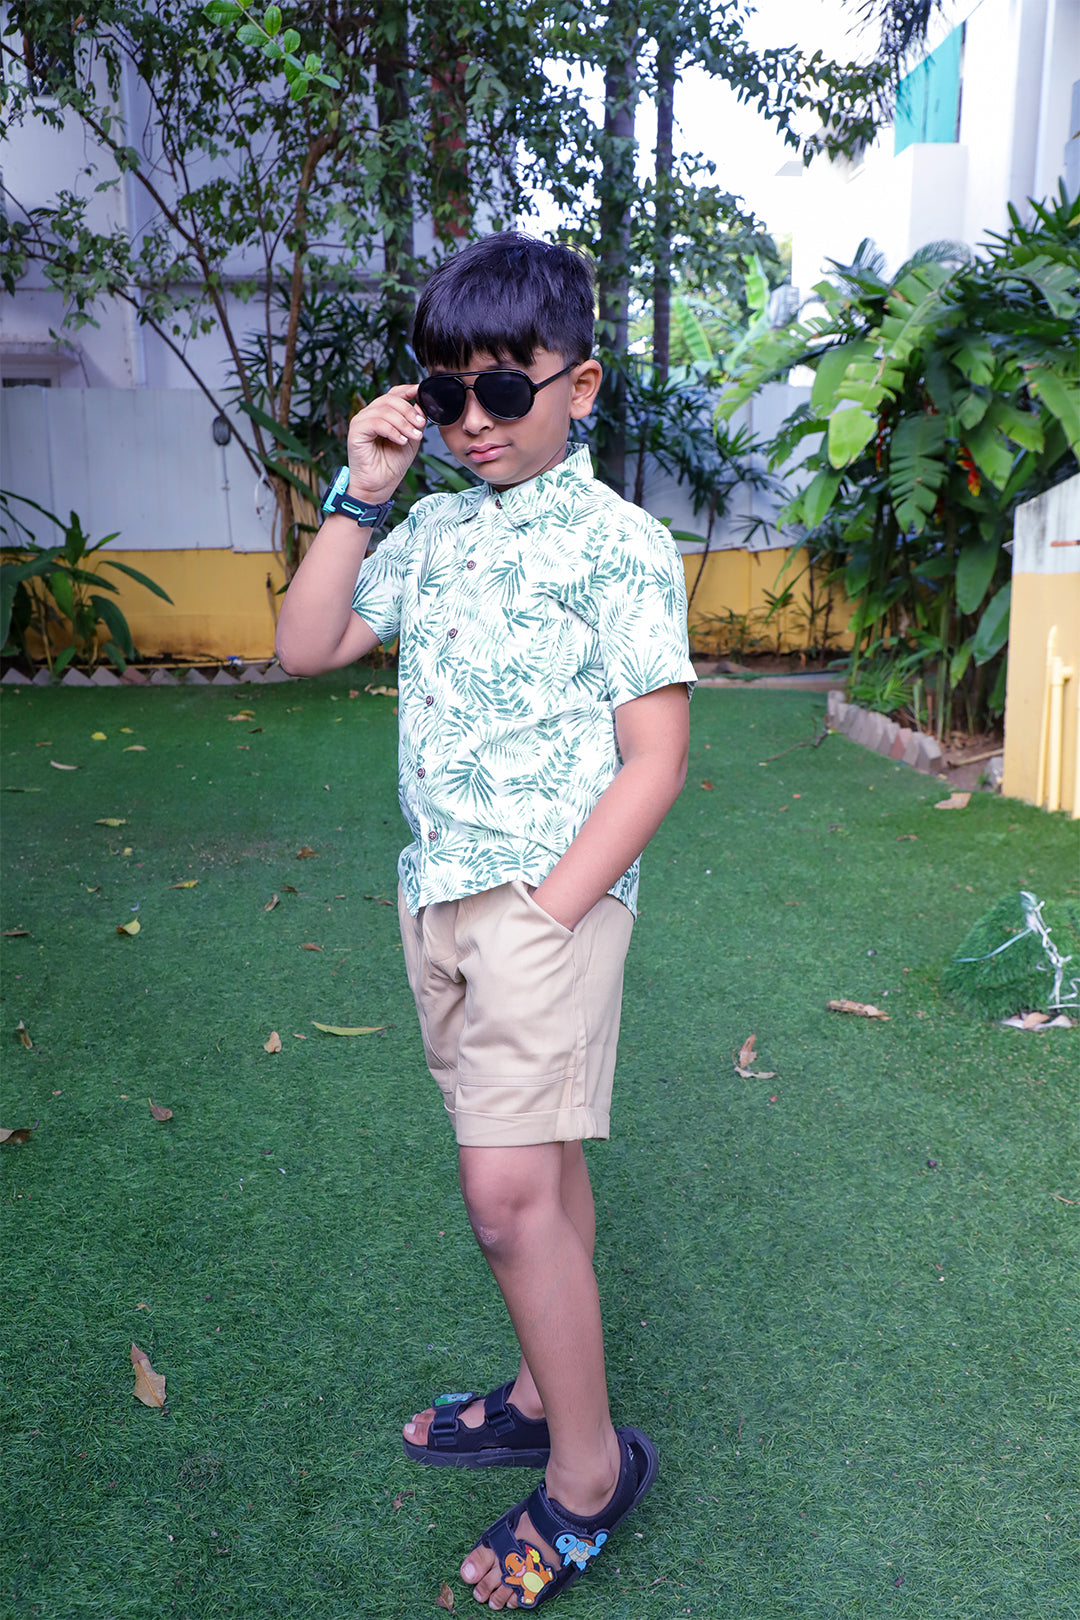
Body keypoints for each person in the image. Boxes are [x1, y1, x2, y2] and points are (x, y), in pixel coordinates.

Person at [275, 231, 695, 1610]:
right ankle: (534, 1393)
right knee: (542, 1168)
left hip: (542, 904)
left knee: (503, 1200)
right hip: (437, 898)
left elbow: (655, 761)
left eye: (504, 390)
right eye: (445, 392)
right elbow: (305, 645)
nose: (471, 422)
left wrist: (551, 913)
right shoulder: (435, 529)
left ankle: (587, 1473)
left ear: (581, 385)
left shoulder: (620, 543)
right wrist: (364, 490)